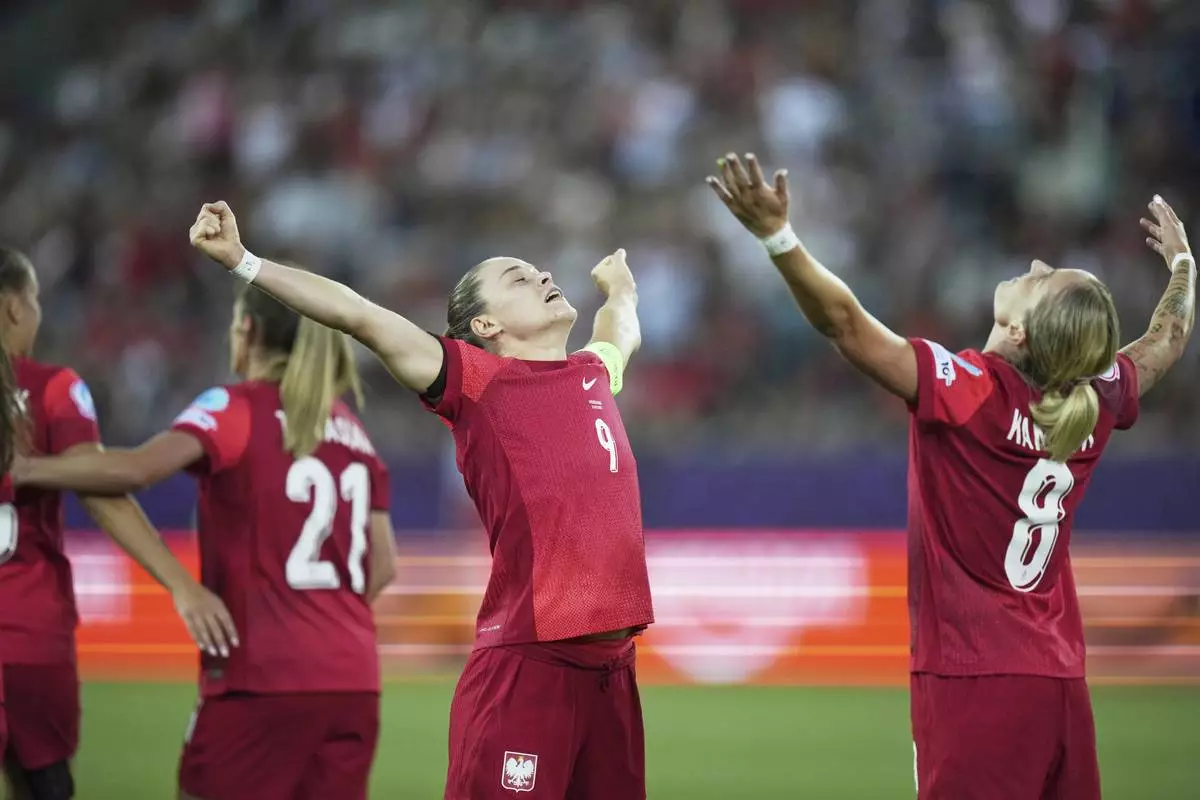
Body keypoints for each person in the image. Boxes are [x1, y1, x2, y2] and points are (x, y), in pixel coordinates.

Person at [707, 154, 1195, 799]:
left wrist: (778, 237)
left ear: (1018, 330)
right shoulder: (1094, 400)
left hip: (974, 681)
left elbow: (845, 324)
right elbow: (1166, 339)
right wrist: (1183, 265)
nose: (1035, 265)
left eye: (1043, 280)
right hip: (1060, 684)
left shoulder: (970, 391)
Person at [188, 201, 654, 800]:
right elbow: (358, 314)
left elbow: (621, 329)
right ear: (486, 327)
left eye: (536, 270)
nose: (542, 275)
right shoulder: (474, 381)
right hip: (530, 668)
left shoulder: (593, 373)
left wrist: (621, 288)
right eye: (518, 278)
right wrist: (243, 261)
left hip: (614, 675)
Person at [13, 280, 396, 800]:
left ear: (247, 330)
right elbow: (383, 566)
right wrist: (324, 621)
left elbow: (136, 470)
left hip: (260, 676)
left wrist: (25, 468)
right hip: (355, 681)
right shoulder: (353, 431)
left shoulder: (235, 408)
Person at [0, 246, 235, 800]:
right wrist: (181, 585)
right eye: (35, 300)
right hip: (28, 634)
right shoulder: (52, 389)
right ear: (14, 307)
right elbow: (102, 493)